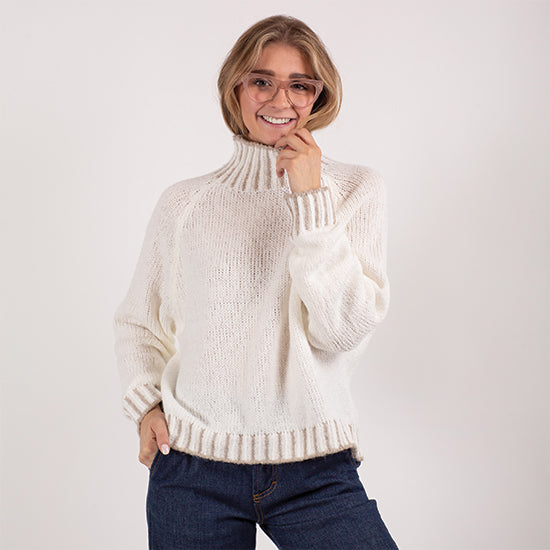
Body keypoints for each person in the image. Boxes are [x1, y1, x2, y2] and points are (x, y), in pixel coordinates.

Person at [114, 14, 399, 550]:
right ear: (237, 88)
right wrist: (146, 404)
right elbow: (139, 322)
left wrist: (310, 200)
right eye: (262, 81)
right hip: (192, 471)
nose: (280, 99)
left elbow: (341, 329)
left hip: (315, 470)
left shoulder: (356, 190)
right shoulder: (185, 203)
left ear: (319, 95)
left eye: (300, 84)